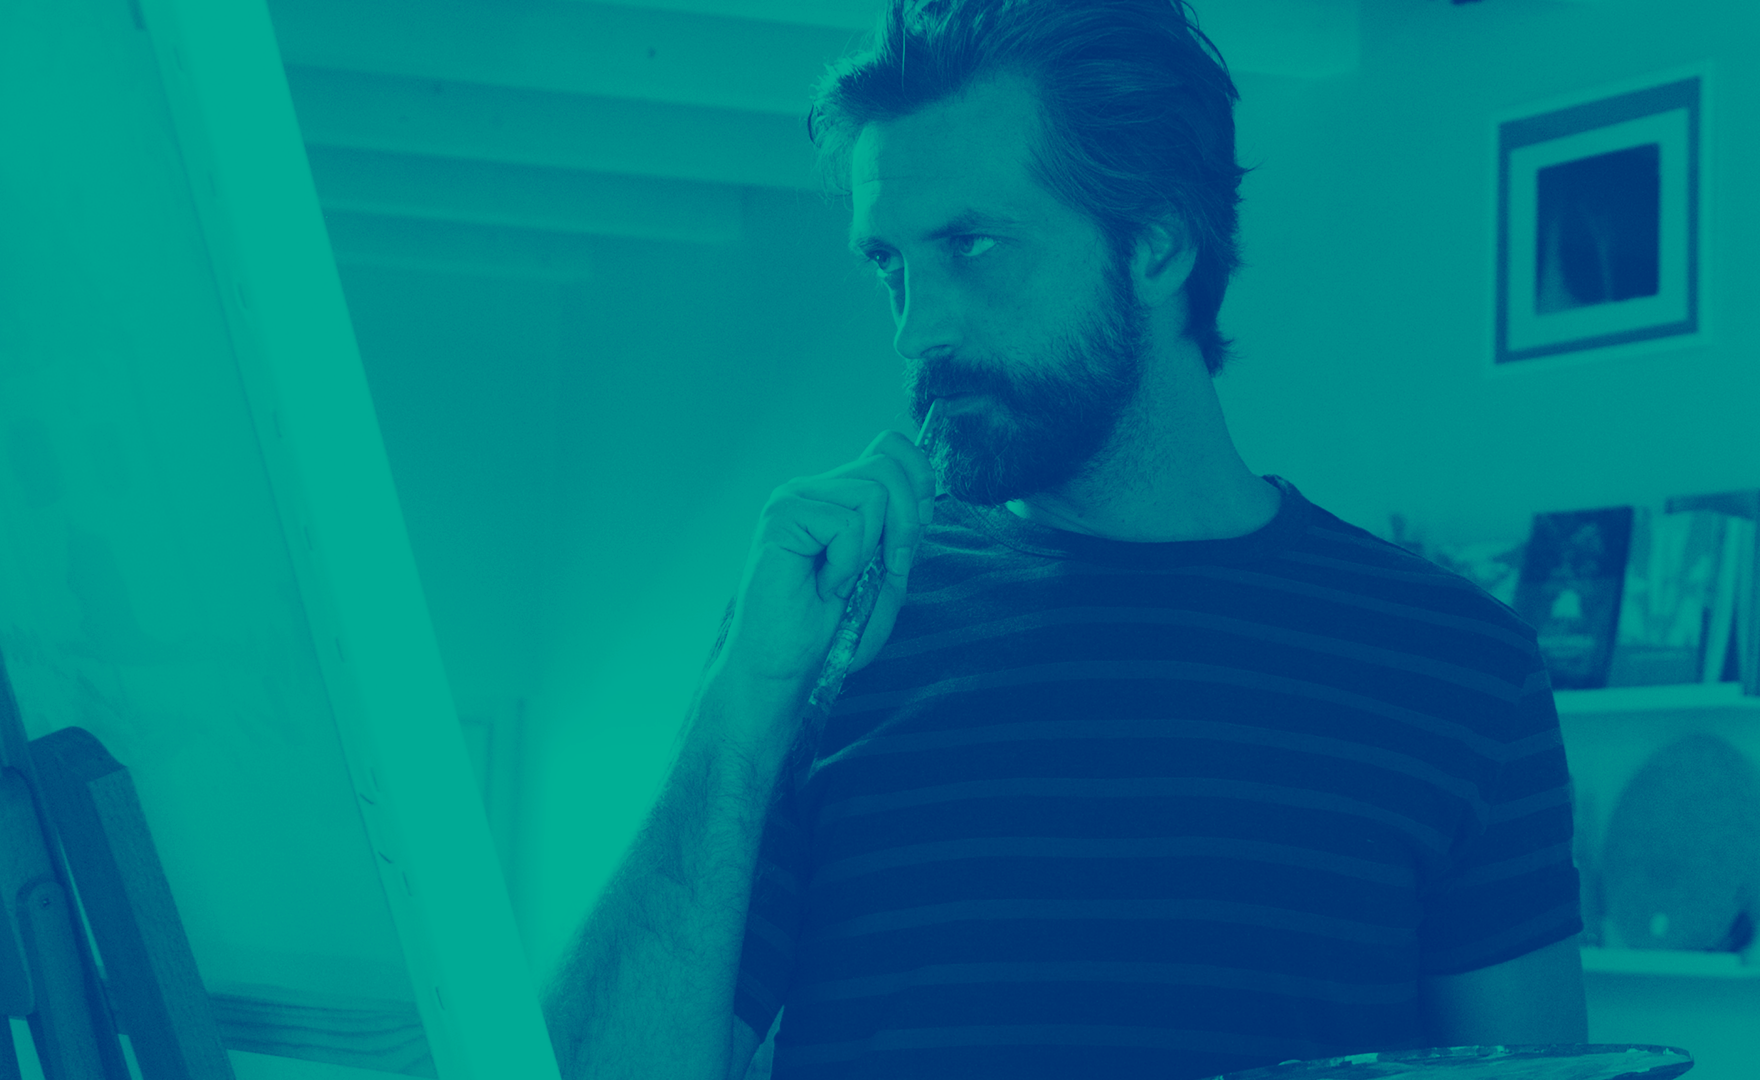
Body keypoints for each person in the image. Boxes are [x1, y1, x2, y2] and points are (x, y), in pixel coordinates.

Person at [540, 2, 1588, 1078]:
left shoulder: (1459, 668)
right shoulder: (835, 625)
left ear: (1159, 243)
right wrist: (737, 710)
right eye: (890, 263)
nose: (916, 328)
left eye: (972, 246)